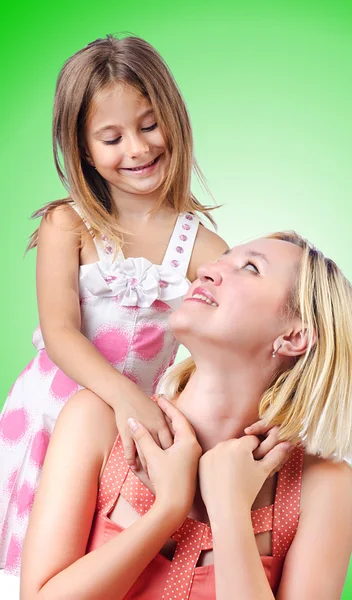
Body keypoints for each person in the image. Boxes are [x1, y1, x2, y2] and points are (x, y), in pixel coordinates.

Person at [21, 232, 352, 599]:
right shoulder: (97, 423)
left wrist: (230, 509)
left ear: (294, 337)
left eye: (250, 268)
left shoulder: (323, 487)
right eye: (222, 259)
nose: (207, 270)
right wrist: (167, 509)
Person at [0, 34, 228, 575]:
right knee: (27, 549)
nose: (138, 149)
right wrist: (124, 395)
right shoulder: (68, 224)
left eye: (150, 125)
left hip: (128, 438)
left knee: (93, 559)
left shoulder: (202, 247)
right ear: (82, 149)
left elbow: (235, 334)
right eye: (112, 136)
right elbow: (61, 333)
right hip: (50, 417)